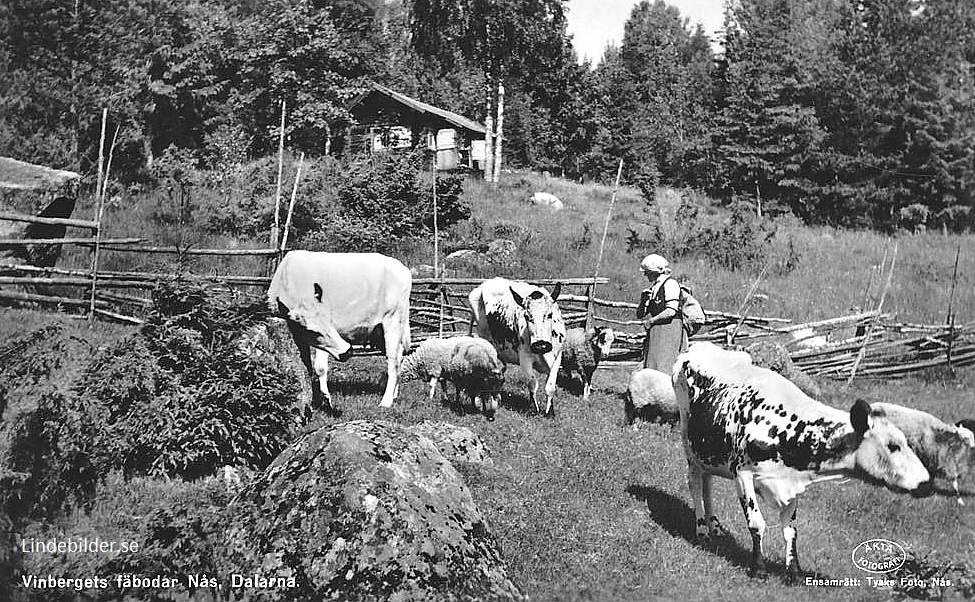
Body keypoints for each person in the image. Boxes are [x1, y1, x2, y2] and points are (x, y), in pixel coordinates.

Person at [636, 254, 688, 371]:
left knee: (666, 365)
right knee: (653, 364)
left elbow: (671, 311)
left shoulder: (670, 284)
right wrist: (643, 301)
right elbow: (640, 314)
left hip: (669, 330)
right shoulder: (655, 287)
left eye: (647, 272)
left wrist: (651, 321)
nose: (645, 275)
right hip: (656, 332)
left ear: (655, 272)